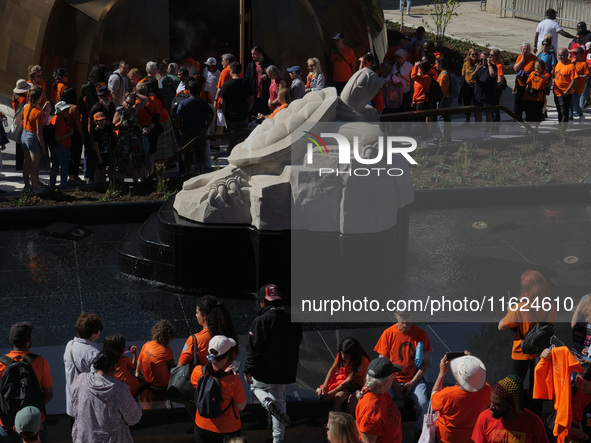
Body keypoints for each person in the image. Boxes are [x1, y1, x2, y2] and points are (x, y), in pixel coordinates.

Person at [244, 284, 303, 443]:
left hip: (263, 371)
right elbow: (297, 342)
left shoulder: (260, 321)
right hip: (284, 371)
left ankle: (266, 401)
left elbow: (253, 349)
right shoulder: (293, 320)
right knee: (280, 402)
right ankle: (278, 440)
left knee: (255, 387)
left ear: (263, 301)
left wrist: (248, 370)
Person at [498, 270, 556, 416]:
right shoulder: (551, 305)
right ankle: (534, 416)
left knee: (515, 383)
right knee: (535, 386)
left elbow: (501, 326)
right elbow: (550, 323)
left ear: (525, 288)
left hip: (521, 351)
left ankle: (514, 412)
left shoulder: (520, 307)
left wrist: (509, 311)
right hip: (541, 353)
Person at [374, 310, 431, 438]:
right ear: (396, 316)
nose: (405, 320)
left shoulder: (421, 334)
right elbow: (381, 363)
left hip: (414, 380)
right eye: (402, 316)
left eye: (408, 316)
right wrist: (393, 384)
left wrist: (411, 384)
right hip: (391, 379)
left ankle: (419, 432)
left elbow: (425, 363)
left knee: (423, 403)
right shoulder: (388, 334)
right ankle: (383, 430)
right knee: (380, 398)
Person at [72, 350, 142, 442]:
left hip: (84, 438)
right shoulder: (119, 390)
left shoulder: (81, 380)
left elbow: (75, 405)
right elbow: (134, 418)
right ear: (114, 367)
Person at [0, 322, 53, 443]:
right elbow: (49, 394)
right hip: (34, 422)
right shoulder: (40, 362)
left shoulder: (1, 364)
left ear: (10, 340)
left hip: (7, 421)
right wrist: (35, 407)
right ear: (30, 340)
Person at [191, 335, 246, 443]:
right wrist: (230, 376)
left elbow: (211, 382)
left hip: (202, 426)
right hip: (228, 430)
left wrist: (222, 374)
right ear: (226, 357)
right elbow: (241, 406)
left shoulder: (197, 372)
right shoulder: (232, 381)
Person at [431, 354, 491, 443]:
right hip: (471, 438)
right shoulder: (486, 392)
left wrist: (442, 373)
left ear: (458, 375)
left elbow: (434, 397)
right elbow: (482, 382)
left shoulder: (446, 394)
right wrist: (474, 367)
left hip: (446, 439)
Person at [471, 375, 549, 443]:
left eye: (497, 404)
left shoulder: (533, 422)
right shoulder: (484, 418)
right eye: (491, 402)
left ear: (511, 405)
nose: (491, 407)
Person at [63, 312, 103, 419]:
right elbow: (98, 383)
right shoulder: (94, 353)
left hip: (71, 405)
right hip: (87, 408)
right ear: (94, 333)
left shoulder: (69, 345)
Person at [355, 357, 402, 443]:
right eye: (393, 375)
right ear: (384, 382)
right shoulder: (371, 409)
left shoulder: (381, 392)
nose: (394, 378)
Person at [318, 337, 370, 413]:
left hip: (359, 384)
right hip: (346, 382)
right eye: (342, 354)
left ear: (354, 355)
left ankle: (350, 424)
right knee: (337, 399)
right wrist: (325, 386)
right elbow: (333, 369)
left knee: (351, 406)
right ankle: (334, 422)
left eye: (348, 357)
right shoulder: (342, 353)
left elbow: (349, 380)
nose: (344, 358)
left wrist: (332, 392)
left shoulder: (363, 361)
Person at [175, 78, 214, 176]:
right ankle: (201, 172)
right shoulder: (203, 103)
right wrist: (206, 127)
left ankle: (188, 173)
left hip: (187, 130)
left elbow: (178, 117)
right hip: (200, 130)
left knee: (188, 153)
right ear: (199, 91)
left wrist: (180, 129)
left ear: (189, 91)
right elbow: (210, 116)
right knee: (201, 152)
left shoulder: (183, 103)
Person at [136, 319, 176, 408]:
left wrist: (137, 373)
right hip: (162, 385)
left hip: (147, 381)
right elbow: (170, 366)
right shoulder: (167, 351)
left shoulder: (146, 345)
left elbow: (139, 360)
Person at [219, 62, 254, 152]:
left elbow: (223, 101)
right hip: (243, 115)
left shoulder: (227, 84)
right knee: (243, 139)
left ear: (232, 70)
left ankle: (233, 158)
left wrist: (225, 112)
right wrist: (247, 110)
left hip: (231, 116)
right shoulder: (246, 83)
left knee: (232, 140)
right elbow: (251, 99)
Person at [21, 85, 50, 193]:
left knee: (27, 163)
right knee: (35, 166)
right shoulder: (38, 113)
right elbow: (39, 132)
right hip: (32, 137)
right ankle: (34, 189)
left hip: (24, 135)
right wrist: (43, 147)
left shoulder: (26, 106)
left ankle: (27, 186)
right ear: (39, 96)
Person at [471, 52, 498, 137]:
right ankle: (478, 131)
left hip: (488, 95)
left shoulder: (493, 67)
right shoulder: (477, 66)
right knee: (478, 114)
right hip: (478, 95)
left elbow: (493, 75)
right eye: (481, 59)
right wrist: (476, 70)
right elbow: (471, 77)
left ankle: (488, 132)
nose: (483, 61)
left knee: (488, 114)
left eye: (485, 59)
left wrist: (489, 64)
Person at [48, 101, 74, 189]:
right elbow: (58, 138)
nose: (68, 112)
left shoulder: (54, 118)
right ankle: (64, 185)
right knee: (64, 166)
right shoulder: (60, 122)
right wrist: (69, 133)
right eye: (66, 110)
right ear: (61, 111)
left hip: (54, 147)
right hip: (61, 147)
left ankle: (52, 184)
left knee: (55, 166)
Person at [245, 46, 274, 118]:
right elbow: (247, 78)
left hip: (265, 93)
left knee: (264, 113)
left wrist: (267, 77)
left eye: (254, 54)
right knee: (254, 115)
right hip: (254, 94)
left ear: (260, 53)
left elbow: (275, 75)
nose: (252, 56)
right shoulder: (251, 65)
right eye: (252, 54)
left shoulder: (269, 63)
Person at [553, 48, 579, 124]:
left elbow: (574, 80)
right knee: (559, 112)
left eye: (562, 55)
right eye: (559, 55)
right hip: (557, 93)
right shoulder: (558, 64)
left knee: (564, 112)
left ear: (567, 55)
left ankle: (562, 131)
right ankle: (560, 129)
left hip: (565, 94)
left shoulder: (571, 66)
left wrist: (567, 91)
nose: (560, 57)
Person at [513, 43, 538, 120]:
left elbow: (537, 70)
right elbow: (515, 68)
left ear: (529, 50)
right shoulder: (520, 57)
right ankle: (517, 119)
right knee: (518, 103)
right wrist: (522, 59)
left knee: (528, 103)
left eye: (527, 49)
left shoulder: (534, 58)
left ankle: (529, 120)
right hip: (520, 84)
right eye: (523, 49)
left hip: (529, 84)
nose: (525, 51)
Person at [11, 79, 31, 172]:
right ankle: (23, 165)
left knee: (18, 144)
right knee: (22, 146)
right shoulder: (24, 100)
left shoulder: (15, 97)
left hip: (18, 122)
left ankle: (18, 165)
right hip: (23, 123)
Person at [93, 111, 117, 186]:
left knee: (104, 168)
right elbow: (96, 144)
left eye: (103, 120)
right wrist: (99, 156)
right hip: (99, 153)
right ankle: (95, 184)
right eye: (100, 120)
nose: (102, 122)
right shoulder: (96, 131)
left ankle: (104, 183)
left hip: (106, 152)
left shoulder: (105, 129)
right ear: (96, 121)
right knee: (97, 170)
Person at [524, 60, 550, 124]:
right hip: (530, 96)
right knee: (529, 114)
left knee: (537, 114)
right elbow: (527, 84)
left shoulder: (546, 74)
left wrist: (539, 75)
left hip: (539, 97)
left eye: (539, 65)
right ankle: (529, 127)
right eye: (536, 65)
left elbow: (545, 78)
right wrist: (524, 95)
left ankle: (536, 128)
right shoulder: (532, 73)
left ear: (542, 67)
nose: (537, 67)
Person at [570, 46, 590, 121]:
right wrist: (571, 51)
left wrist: (579, 76)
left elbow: (587, 75)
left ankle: (581, 115)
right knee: (570, 103)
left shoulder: (583, 64)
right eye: (574, 53)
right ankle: (570, 117)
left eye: (576, 53)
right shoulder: (571, 61)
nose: (574, 54)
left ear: (581, 54)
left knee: (575, 103)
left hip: (579, 86)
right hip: (571, 86)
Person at [461, 49, 479, 123]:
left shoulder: (479, 64)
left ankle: (476, 120)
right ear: (469, 55)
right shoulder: (465, 64)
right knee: (467, 103)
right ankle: (467, 120)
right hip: (467, 85)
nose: (474, 56)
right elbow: (463, 75)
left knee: (476, 103)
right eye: (473, 54)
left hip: (476, 86)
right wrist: (462, 86)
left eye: (476, 54)